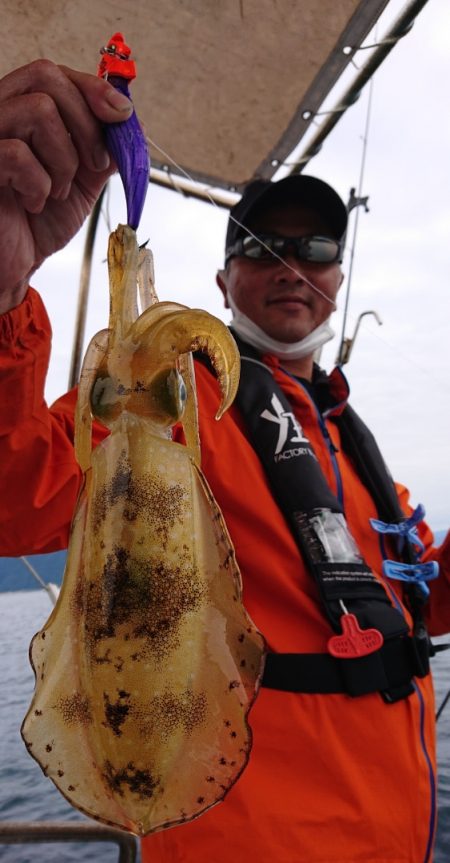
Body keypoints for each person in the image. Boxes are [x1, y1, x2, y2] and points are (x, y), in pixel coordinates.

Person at [0, 59, 449, 863]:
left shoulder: (353, 445)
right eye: (263, 246)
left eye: (314, 248)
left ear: (338, 278)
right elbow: (16, 492)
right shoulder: (176, 400)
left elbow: (421, 601)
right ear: (222, 278)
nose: (290, 266)